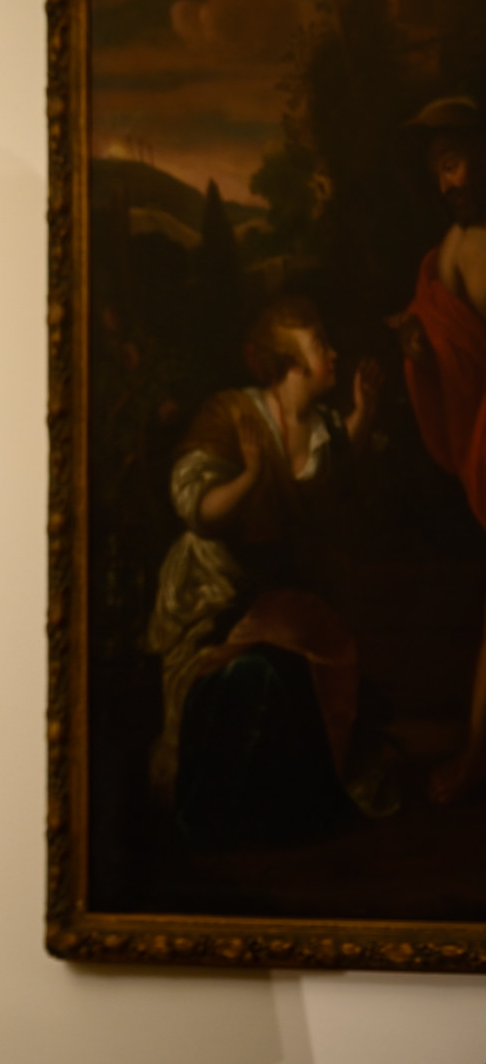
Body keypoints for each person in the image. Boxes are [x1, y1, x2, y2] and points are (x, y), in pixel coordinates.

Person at [143, 297, 388, 846]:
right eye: (320, 344)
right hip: (212, 598)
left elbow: (333, 478)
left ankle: (285, 814)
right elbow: (198, 511)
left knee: (318, 667)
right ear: (290, 363)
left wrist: (364, 415)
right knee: (254, 680)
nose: (333, 353)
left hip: (271, 595)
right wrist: (250, 476)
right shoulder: (232, 414)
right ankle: (221, 814)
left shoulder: (322, 426)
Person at [398, 96, 486, 801]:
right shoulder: (463, 245)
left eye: (453, 163)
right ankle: (479, 757)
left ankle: (478, 758)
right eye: (438, 170)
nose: (446, 183)